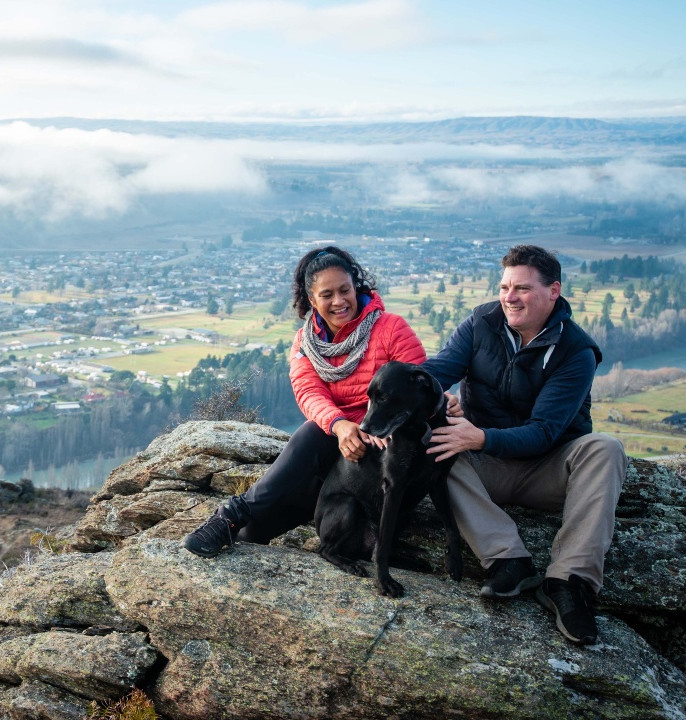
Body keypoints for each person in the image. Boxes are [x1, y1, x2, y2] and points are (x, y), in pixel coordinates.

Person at [422, 244, 627, 645]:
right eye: (504, 286)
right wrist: (426, 393)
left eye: (522, 288)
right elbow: (438, 370)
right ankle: (509, 559)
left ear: (554, 291)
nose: (509, 297)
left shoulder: (576, 351)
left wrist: (480, 436)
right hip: (486, 465)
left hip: (548, 467)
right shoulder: (482, 322)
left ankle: (569, 583)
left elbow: (545, 431)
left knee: (605, 448)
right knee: (432, 445)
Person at [183, 245, 426, 555]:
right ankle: (233, 525)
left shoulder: (391, 328)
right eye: (327, 295)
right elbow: (308, 392)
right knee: (252, 533)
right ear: (312, 300)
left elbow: (418, 387)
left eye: (344, 290)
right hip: (334, 449)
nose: (339, 301)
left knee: (311, 433)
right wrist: (340, 426)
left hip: (380, 453)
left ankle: (229, 514)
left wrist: (372, 428)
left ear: (357, 287)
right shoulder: (305, 342)